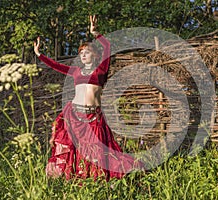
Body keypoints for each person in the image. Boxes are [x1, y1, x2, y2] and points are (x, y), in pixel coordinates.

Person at [34, 15, 144, 181]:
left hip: (94, 117)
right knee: (75, 149)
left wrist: (95, 33)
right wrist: (40, 54)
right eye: (81, 53)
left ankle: (98, 178)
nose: (83, 55)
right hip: (75, 114)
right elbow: (56, 66)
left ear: (94, 55)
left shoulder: (101, 70)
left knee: (97, 150)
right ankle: (77, 177)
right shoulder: (76, 71)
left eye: (87, 52)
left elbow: (107, 47)